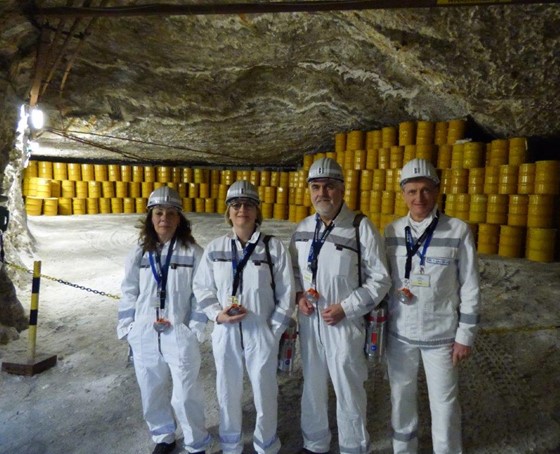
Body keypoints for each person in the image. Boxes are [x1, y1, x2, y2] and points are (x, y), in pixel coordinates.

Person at [289, 157, 391, 454]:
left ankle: (353, 447)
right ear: (309, 191)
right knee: (313, 386)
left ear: (342, 189)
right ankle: (315, 443)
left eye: (330, 186)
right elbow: (293, 272)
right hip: (311, 323)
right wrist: (298, 295)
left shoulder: (361, 227)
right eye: (316, 187)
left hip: (344, 323)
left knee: (349, 388)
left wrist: (346, 307)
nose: (323, 193)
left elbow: (380, 280)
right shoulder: (303, 229)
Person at [383, 158, 480, 454]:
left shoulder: (457, 231)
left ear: (437, 191)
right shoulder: (391, 232)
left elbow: (471, 285)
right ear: (403, 194)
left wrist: (465, 335)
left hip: (441, 337)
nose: (419, 198)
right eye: (411, 191)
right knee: (401, 400)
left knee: (445, 405)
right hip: (400, 335)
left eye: (425, 190)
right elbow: (383, 280)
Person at [193, 180, 295, 454]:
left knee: (265, 392)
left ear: (257, 211)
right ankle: (230, 445)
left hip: (260, 331)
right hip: (225, 332)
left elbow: (287, 291)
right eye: (236, 205)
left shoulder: (273, 248)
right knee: (227, 390)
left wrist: (273, 330)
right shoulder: (215, 248)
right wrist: (216, 315)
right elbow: (201, 287)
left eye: (248, 204)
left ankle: (266, 445)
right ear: (228, 212)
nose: (242, 210)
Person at [117, 186, 211, 454]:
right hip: (145, 331)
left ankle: (196, 443)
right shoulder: (139, 252)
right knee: (151, 389)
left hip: (178, 332)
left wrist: (193, 328)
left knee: (185, 394)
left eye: (171, 213)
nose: (164, 218)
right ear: (150, 217)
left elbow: (201, 294)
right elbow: (129, 290)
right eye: (158, 212)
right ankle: (163, 436)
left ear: (179, 219)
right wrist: (128, 328)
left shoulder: (193, 252)